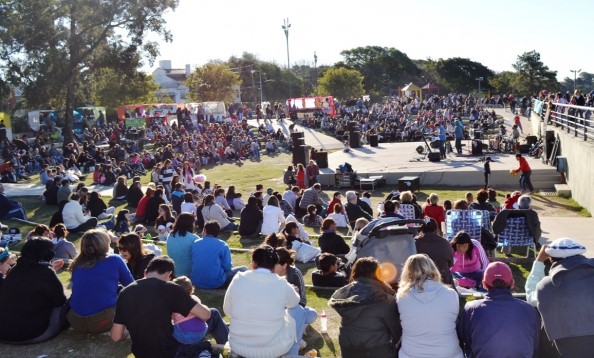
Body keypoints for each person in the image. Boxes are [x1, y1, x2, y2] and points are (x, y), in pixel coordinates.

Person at [112, 256, 228, 358]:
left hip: (142, 353)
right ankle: (228, 349)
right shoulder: (171, 288)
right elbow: (205, 315)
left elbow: (116, 336)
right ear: (168, 274)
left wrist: (130, 332)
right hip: (172, 352)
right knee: (213, 313)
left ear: (145, 272)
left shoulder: (124, 293)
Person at [223, 245, 300, 358]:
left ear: (253, 262)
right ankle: (293, 352)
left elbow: (227, 311)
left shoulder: (238, 279)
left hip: (238, 345)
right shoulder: (281, 284)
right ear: (275, 265)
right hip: (272, 349)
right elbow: (295, 302)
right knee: (297, 311)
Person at [525, 238, 594, 357]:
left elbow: (531, 296)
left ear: (551, 260)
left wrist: (539, 260)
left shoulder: (546, 286)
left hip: (566, 350)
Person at [458, 262, 540, 358]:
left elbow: (463, 341)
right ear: (512, 283)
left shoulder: (471, 309)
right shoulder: (529, 309)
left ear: (484, 284)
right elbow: (535, 345)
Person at [329, 257, 402, 358]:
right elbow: (397, 332)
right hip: (377, 350)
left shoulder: (346, 293)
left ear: (355, 272)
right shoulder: (384, 298)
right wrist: (390, 292)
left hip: (348, 347)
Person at [0, 238, 68, 344]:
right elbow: (60, 301)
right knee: (69, 304)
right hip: (32, 334)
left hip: (3, 333)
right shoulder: (46, 272)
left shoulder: (14, 270)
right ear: (48, 253)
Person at [68, 229, 134, 334]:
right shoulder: (115, 259)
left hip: (76, 321)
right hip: (102, 321)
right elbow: (131, 286)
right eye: (108, 242)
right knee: (127, 294)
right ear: (104, 244)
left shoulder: (77, 262)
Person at [397, 254, 463, 358]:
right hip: (448, 353)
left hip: (412, 353)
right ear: (432, 269)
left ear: (408, 272)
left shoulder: (401, 296)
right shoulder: (451, 294)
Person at [274, 247, 318, 356]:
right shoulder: (269, 275)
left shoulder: (295, 273)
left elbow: (303, 301)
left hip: (291, 311)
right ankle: (295, 342)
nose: (271, 267)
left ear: (284, 265)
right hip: (276, 314)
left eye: (275, 264)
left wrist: (293, 297)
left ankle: (296, 335)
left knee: (311, 314)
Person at [190, 220, 247, 289]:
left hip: (195, 281)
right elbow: (227, 267)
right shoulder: (222, 244)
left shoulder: (195, 243)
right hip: (216, 283)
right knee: (244, 268)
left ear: (204, 230)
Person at [414, 218, 454, 286]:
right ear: (436, 228)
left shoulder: (415, 243)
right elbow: (450, 264)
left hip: (421, 282)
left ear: (422, 229)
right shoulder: (445, 243)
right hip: (443, 281)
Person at [166, 213, 200, 278]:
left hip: (173, 271)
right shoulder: (194, 238)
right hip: (189, 273)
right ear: (191, 224)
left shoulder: (170, 235)